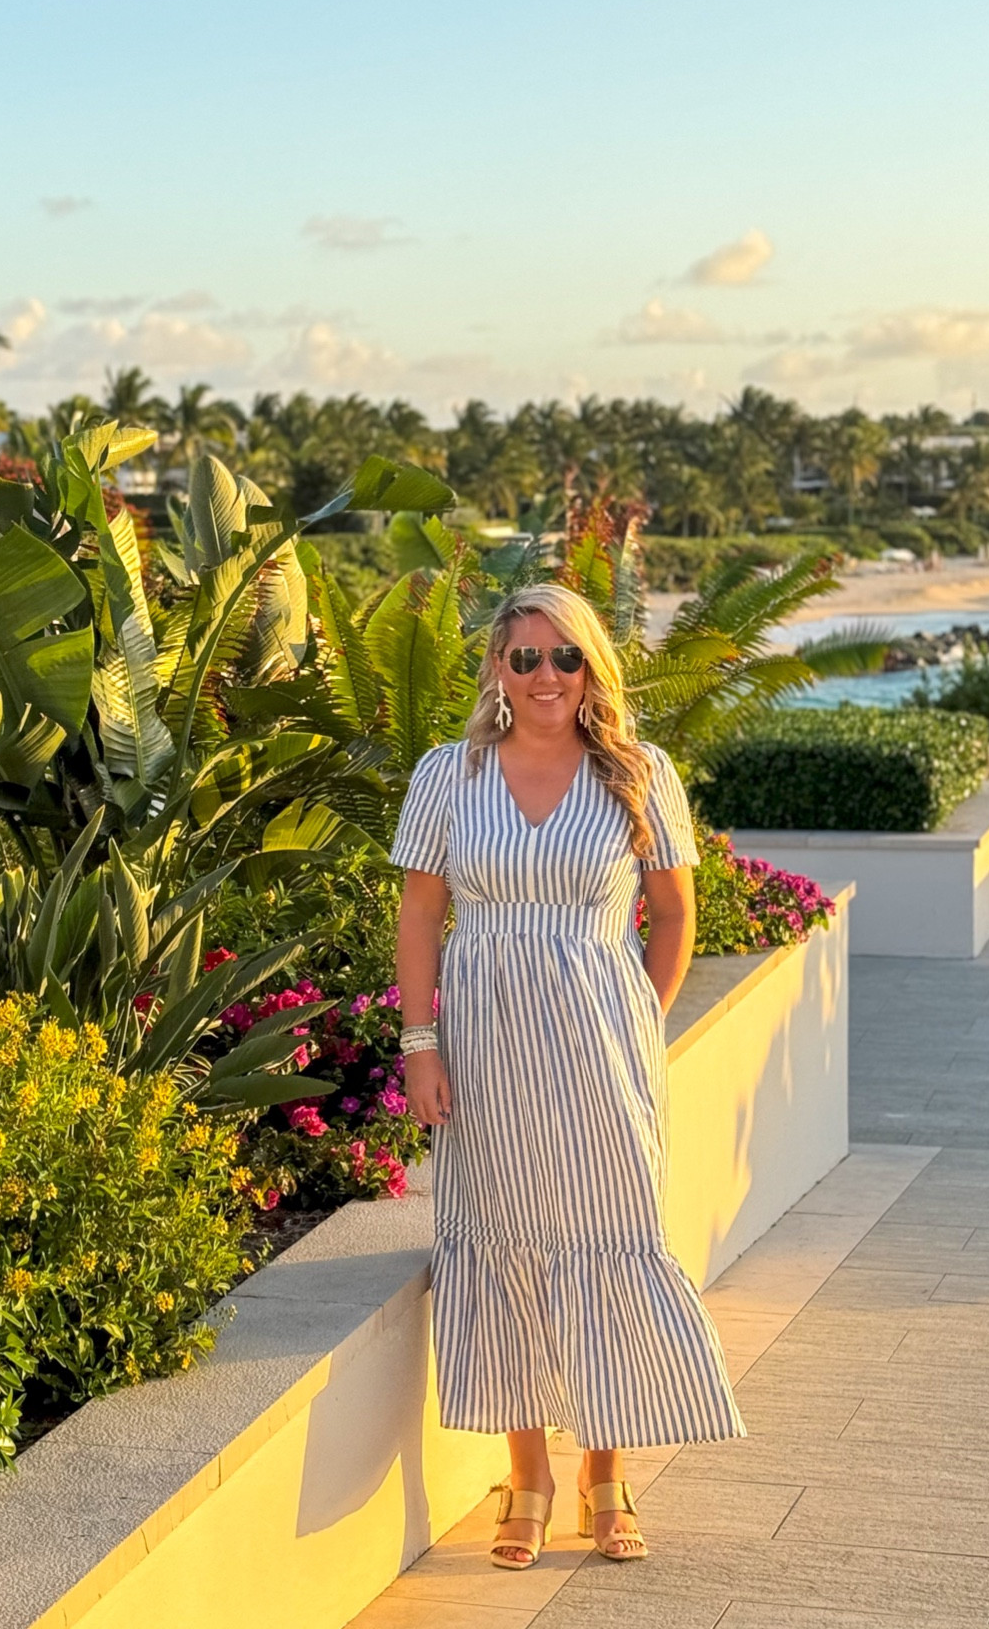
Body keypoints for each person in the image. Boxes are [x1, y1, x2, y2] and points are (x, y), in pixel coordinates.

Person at [391, 582, 745, 1571]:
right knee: (505, 1240)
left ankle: (606, 1476)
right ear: (497, 671)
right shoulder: (447, 775)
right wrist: (421, 1044)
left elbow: (674, 915)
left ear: (593, 668)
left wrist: (640, 1015)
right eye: (526, 658)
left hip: (603, 1051)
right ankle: (529, 1477)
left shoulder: (639, 771)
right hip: (486, 1047)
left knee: (608, 1239)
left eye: (566, 658)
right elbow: (421, 917)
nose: (547, 676)